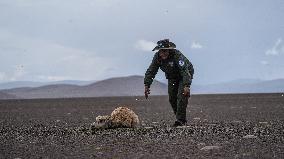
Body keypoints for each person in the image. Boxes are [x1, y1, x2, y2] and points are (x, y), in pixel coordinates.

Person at [144, 39, 194, 127]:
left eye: (165, 51)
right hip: (172, 77)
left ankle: (180, 120)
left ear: (169, 50)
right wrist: (147, 85)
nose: (163, 53)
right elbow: (151, 71)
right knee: (172, 98)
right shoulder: (157, 58)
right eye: (161, 51)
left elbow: (184, 70)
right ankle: (180, 117)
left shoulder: (176, 55)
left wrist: (186, 85)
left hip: (185, 75)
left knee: (182, 95)